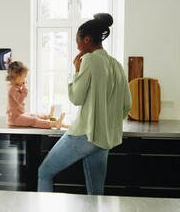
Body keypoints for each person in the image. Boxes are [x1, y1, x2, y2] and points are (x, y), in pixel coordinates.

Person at [37, 13, 132, 195]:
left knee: (44, 173)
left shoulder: (89, 59)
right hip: (103, 138)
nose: (77, 45)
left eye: (77, 41)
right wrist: (105, 120)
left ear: (87, 39)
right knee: (96, 192)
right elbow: (127, 105)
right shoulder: (116, 65)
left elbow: (76, 98)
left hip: (84, 134)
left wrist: (76, 71)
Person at [6, 60, 65, 129]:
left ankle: (47, 116)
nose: (25, 79)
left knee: (33, 115)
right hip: (14, 118)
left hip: (19, 115)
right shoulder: (12, 89)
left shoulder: (15, 87)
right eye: (24, 77)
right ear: (17, 76)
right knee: (33, 120)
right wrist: (24, 88)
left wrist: (22, 88)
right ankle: (54, 124)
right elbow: (20, 100)